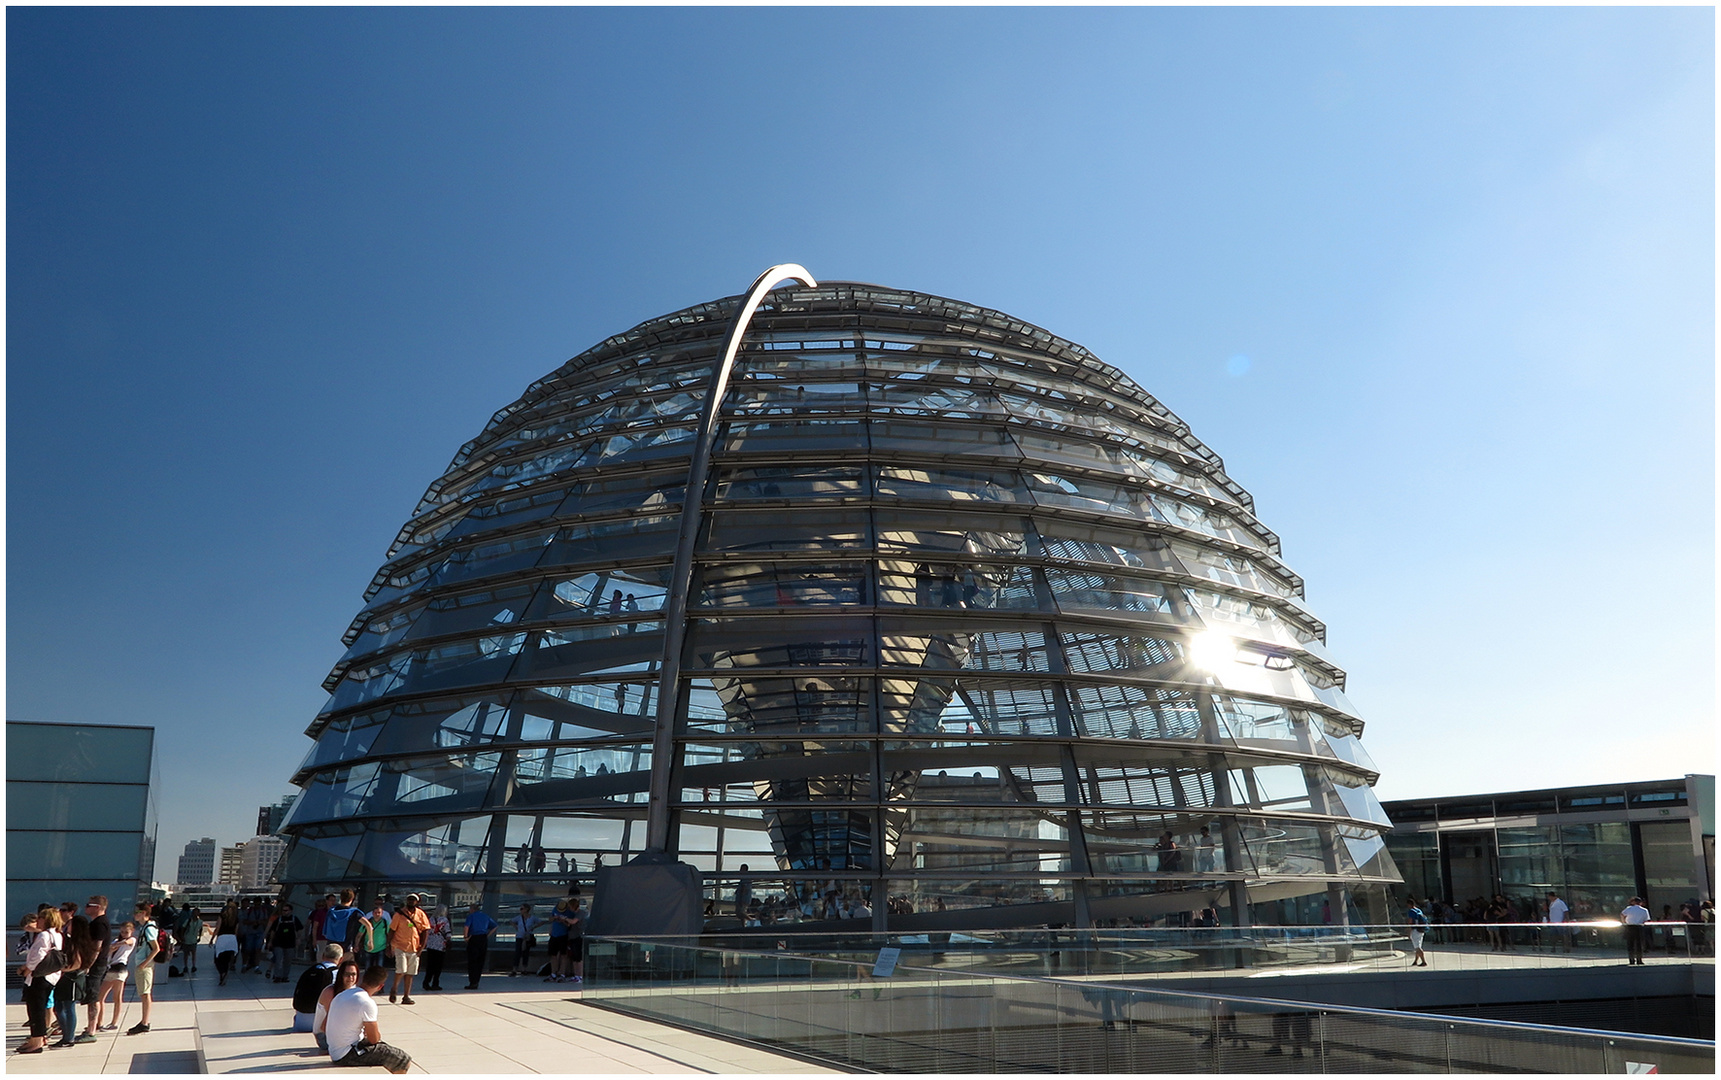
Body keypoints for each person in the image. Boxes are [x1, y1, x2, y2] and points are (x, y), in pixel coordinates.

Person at [326, 965, 413, 1072]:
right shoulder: (366, 1002)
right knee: (402, 1060)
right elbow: (374, 1039)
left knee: (386, 1050)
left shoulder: (342, 994)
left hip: (335, 1051)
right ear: (380, 986)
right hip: (347, 1054)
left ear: (363, 978)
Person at [18, 908, 65, 1055]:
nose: (37, 920)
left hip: (39, 976)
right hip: (51, 976)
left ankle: (36, 1040)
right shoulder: (57, 935)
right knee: (39, 1007)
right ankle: (37, 1038)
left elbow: (37, 956)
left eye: (40, 918)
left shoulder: (44, 935)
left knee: (35, 1009)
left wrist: (27, 968)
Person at [55, 914, 95, 1048]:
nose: (67, 926)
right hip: (67, 978)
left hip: (72, 978)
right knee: (59, 1007)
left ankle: (69, 1037)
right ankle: (66, 1035)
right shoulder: (71, 940)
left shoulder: (76, 943)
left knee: (68, 1007)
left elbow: (78, 963)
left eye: (70, 924)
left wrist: (63, 970)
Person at [385, 894, 429, 1004]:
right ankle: (394, 989)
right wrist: (388, 946)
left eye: (413, 900)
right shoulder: (399, 914)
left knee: (410, 973)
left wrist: (422, 947)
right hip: (400, 945)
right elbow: (392, 930)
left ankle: (406, 996)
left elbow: (425, 931)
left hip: (414, 947)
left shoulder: (421, 914)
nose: (411, 901)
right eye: (409, 899)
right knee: (401, 969)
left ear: (417, 902)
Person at [79, 894, 112, 1042]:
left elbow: (96, 948)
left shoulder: (99, 924)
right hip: (95, 964)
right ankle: (90, 1027)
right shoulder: (96, 923)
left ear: (97, 907)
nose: (86, 907)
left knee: (93, 997)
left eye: (89, 905)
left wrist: (88, 965)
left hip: (96, 965)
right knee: (92, 996)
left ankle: (91, 1031)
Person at [294, 943, 346, 1034]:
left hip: (300, 1021)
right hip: (320, 1024)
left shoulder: (309, 971)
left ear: (323, 956)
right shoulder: (337, 974)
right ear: (341, 959)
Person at [92, 921, 135, 1032]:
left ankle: (114, 1022)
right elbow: (108, 951)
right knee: (100, 997)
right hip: (111, 968)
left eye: (126, 932)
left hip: (120, 968)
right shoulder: (116, 941)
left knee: (117, 997)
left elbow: (128, 942)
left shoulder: (131, 940)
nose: (124, 934)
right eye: (122, 932)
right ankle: (99, 1022)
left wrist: (115, 945)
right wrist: (111, 947)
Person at [126, 903, 160, 1035]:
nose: (135, 915)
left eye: (137, 912)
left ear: (144, 913)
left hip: (144, 964)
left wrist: (144, 963)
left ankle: (144, 1022)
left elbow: (156, 948)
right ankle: (144, 1021)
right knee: (143, 993)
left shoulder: (148, 928)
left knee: (145, 993)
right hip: (142, 963)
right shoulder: (145, 927)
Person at [315, 959, 360, 1052]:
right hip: (324, 1036)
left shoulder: (354, 990)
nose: (351, 977)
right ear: (341, 975)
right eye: (347, 974)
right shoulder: (330, 991)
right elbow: (325, 1026)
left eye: (353, 974)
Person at [266, 902, 303, 982]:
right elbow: (273, 931)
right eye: (283, 910)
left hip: (290, 944)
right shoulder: (278, 920)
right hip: (278, 943)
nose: (284, 912)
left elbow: (299, 929)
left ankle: (285, 976)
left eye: (286, 910)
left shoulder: (294, 919)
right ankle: (277, 976)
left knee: (288, 961)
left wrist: (298, 939)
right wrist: (270, 941)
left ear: (291, 911)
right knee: (278, 959)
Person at [464, 901, 497, 989]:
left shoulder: (471, 916)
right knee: (480, 961)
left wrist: (466, 937)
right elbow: (495, 926)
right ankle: (477, 981)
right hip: (483, 938)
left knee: (472, 961)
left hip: (474, 938)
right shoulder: (485, 916)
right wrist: (487, 935)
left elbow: (466, 927)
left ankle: (472, 981)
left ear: (472, 909)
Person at [421, 905, 451, 992]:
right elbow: (447, 932)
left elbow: (428, 931)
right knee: (438, 965)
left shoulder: (431, 919)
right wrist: (448, 940)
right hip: (440, 945)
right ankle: (435, 983)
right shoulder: (444, 920)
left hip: (431, 945)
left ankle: (426, 982)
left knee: (430, 965)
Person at [357, 901, 391, 971]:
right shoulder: (367, 922)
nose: (377, 914)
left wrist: (389, 947)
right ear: (372, 913)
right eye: (375, 913)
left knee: (379, 969)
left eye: (379, 913)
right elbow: (359, 935)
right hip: (368, 948)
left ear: (382, 914)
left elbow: (389, 935)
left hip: (381, 948)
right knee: (368, 968)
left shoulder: (385, 923)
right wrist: (356, 944)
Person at [214, 901, 241, 985]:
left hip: (222, 938)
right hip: (232, 938)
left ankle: (222, 972)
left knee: (218, 958)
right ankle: (225, 971)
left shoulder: (222, 916)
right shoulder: (236, 919)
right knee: (227, 958)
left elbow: (217, 929)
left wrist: (212, 939)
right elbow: (236, 931)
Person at [511, 903, 539, 976]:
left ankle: (524, 968)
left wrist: (534, 927)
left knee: (525, 953)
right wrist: (516, 926)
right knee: (517, 952)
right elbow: (511, 921)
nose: (520, 910)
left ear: (526, 910)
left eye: (522, 909)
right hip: (519, 936)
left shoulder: (532, 918)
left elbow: (541, 921)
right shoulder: (519, 917)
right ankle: (515, 969)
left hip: (527, 937)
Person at [1622, 896, 1651, 965]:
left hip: (1630, 927)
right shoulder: (1644, 910)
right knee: (1639, 944)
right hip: (1639, 927)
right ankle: (1639, 960)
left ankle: (1631, 960)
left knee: (1630, 944)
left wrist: (1624, 922)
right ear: (1640, 903)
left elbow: (1622, 914)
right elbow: (1646, 919)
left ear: (1633, 902)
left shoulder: (1629, 908)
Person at [176, 905, 204, 975]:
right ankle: (186, 966)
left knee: (193, 953)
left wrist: (199, 937)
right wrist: (182, 937)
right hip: (187, 939)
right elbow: (183, 928)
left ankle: (193, 965)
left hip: (194, 939)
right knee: (186, 954)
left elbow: (200, 929)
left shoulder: (200, 922)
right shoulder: (188, 921)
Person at [1406, 897, 1431, 967]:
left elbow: (1410, 922)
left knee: (1417, 947)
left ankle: (1423, 961)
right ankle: (1415, 961)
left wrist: (1408, 932)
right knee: (1418, 945)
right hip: (1421, 930)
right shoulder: (1418, 910)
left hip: (1415, 930)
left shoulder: (1411, 911)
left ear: (1409, 904)